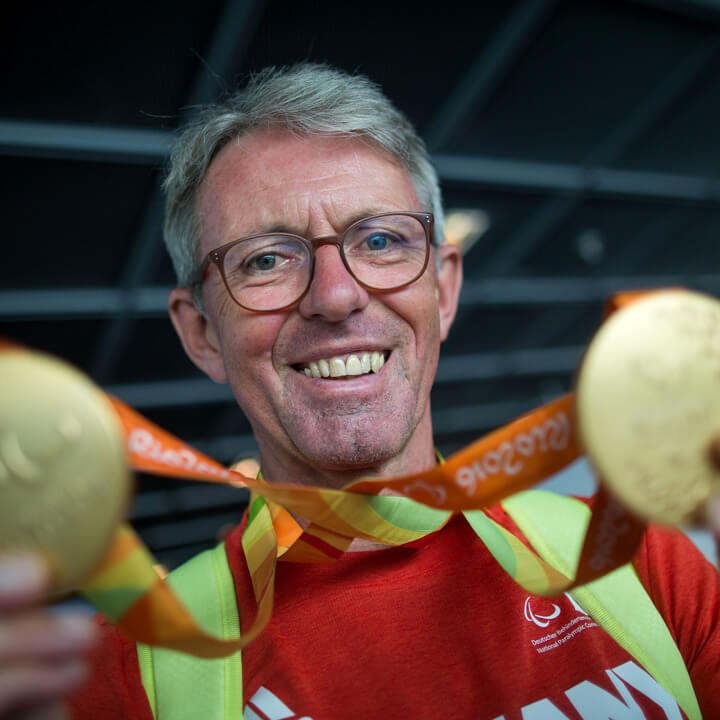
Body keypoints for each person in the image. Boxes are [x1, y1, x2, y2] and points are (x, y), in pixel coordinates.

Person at [1, 63, 719, 720]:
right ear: (202, 334)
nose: (338, 296)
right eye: (267, 259)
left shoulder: (641, 559)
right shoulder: (121, 677)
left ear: (443, 290)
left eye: (379, 242)